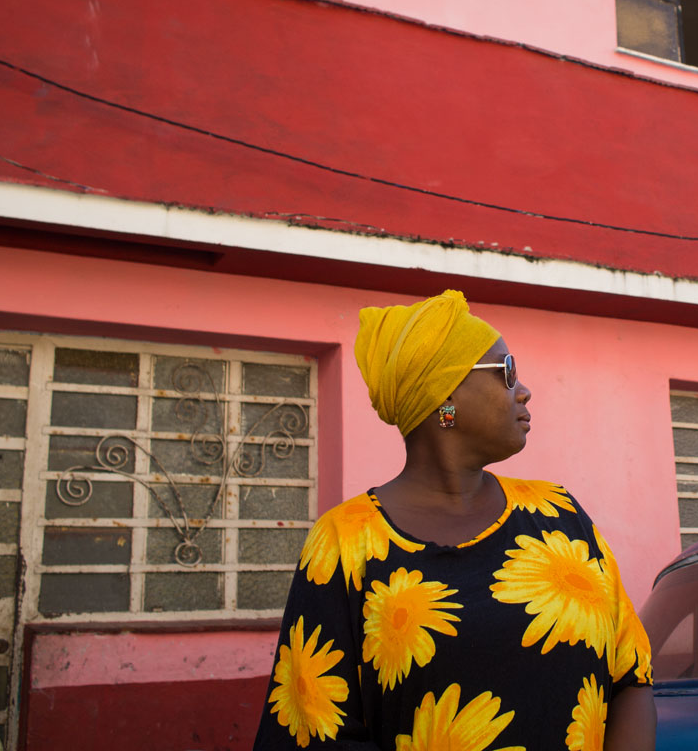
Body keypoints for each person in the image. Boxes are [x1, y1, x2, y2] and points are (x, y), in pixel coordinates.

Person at [253, 290, 656, 750]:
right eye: (506, 373)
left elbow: (630, 676)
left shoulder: (561, 514)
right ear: (445, 397)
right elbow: (316, 733)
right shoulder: (345, 542)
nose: (523, 390)